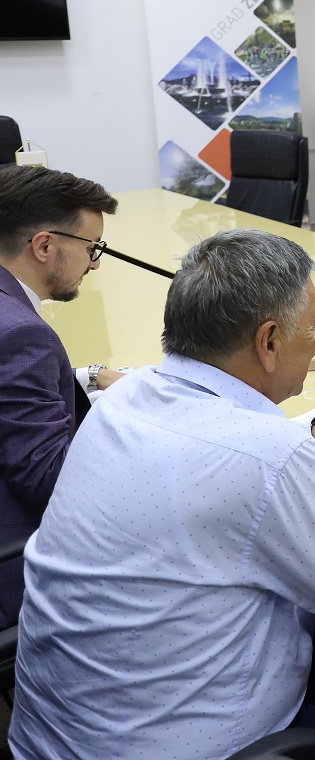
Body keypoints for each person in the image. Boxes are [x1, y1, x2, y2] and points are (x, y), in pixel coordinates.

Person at [9, 229, 315, 760]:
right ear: (269, 341)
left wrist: (312, 439)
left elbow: (212, 465)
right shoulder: (268, 459)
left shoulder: (124, 398)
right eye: (313, 328)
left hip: (51, 739)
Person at [0, 164, 120, 628]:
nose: (94, 264)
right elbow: (51, 479)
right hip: (20, 570)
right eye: (92, 248)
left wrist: (89, 378)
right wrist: (134, 412)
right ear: (45, 246)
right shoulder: (22, 334)